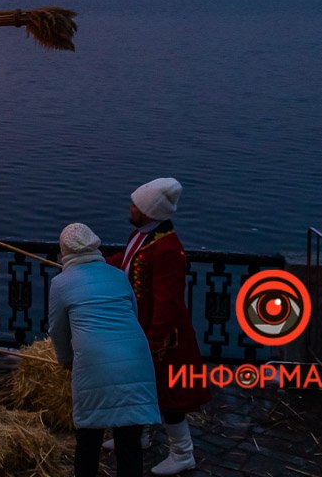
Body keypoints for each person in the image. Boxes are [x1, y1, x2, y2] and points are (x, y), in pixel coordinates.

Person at [106, 177, 210, 476]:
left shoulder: (167, 250)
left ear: (149, 212)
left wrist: (153, 340)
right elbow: (126, 261)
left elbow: (168, 302)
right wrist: (91, 262)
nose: (131, 208)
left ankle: (182, 453)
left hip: (165, 337)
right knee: (141, 387)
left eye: (136, 205)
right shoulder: (145, 236)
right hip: (140, 327)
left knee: (169, 395)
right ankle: (140, 436)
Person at [49, 223, 160, 477]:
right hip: (136, 358)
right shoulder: (118, 275)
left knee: (88, 439)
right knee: (130, 442)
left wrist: (66, 359)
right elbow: (133, 312)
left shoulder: (61, 283)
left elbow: (57, 330)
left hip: (94, 364)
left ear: (64, 250)